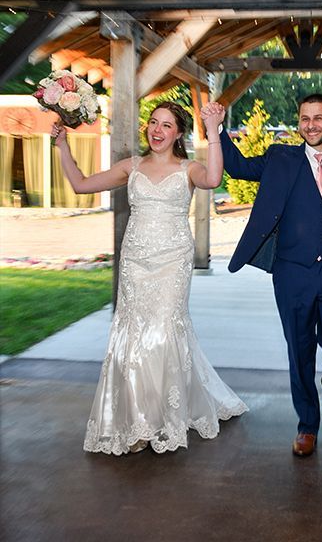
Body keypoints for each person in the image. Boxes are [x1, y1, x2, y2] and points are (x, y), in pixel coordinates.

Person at [57, 101, 247, 455]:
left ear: (178, 133)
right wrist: (62, 146)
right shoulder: (132, 167)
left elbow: (214, 179)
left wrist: (214, 130)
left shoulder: (188, 168)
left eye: (166, 125)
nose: (157, 130)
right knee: (135, 333)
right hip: (135, 261)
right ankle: (138, 419)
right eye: (153, 123)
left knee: (162, 331)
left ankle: (160, 418)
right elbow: (81, 184)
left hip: (172, 260)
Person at [221, 94, 322, 457]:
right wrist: (216, 130)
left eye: (318, 118)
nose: (310, 125)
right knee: (300, 350)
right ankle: (307, 425)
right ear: (299, 123)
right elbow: (239, 168)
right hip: (292, 273)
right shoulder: (281, 159)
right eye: (304, 119)